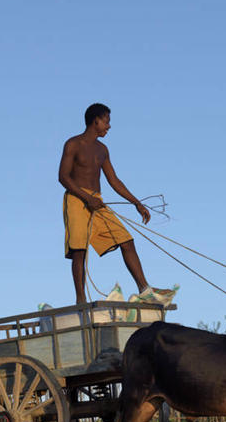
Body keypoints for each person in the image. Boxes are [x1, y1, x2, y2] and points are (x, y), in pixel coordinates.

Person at [59, 103, 172, 305]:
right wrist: (86, 198)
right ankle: (80, 299)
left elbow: (114, 180)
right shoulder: (73, 144)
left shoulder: (102, 150)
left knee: (126, 240)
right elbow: (63, 177)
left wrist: (136, 203)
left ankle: (144, 289)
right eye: (107, 121)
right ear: (96, 120)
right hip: (77, 199)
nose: (109, 126)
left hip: (97, 200)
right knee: (79, 249)